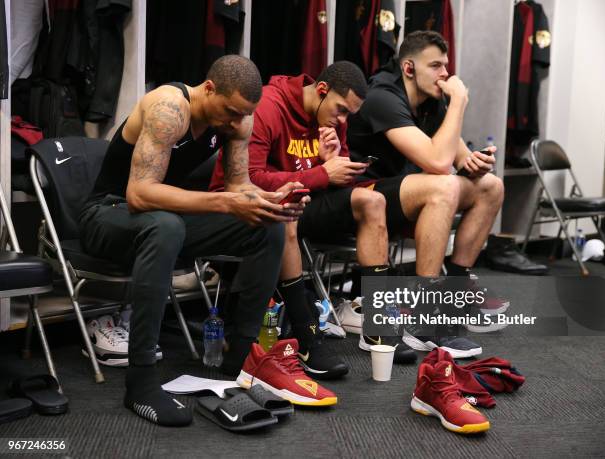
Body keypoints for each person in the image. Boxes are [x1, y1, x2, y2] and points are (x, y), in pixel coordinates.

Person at [79, 55, 304, 427]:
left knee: (266, 225)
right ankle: (141, 381)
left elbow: (237, 187)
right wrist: (224, 202)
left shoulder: (237, 118)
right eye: (231, 111)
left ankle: (243, 356)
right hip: (107, 214)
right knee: (167, 226)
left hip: (163, 220)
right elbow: (139, 194)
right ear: (209, 88)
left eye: (243, 115)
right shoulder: (169, 109)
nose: (237, 122)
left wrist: (271, 199)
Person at [209, 61, 419, 367]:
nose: (344, 119)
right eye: (341, 110)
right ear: (321, 90)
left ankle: (378, 329)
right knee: (288, 210)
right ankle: (307, 336)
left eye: (350, 114)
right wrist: (321, 173)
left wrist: (335, 162)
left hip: (308, 200)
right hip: (251, 205)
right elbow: (247, 179)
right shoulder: (269, 106)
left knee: (373, 202)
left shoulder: (333, 119)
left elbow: (334, 177)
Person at [348, 30, 506, 353]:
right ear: (408, 68)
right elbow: (437, 161)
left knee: (491, 187)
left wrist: (475, 163)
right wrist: (459, 102)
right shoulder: (383, 96)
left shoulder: (433, 101)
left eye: (446, 65)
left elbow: (457, 159)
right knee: (443, 185)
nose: (445, 74)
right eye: (436, 66)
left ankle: (453, 298)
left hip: (410, 192)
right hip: (365, 197)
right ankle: (424, 320)